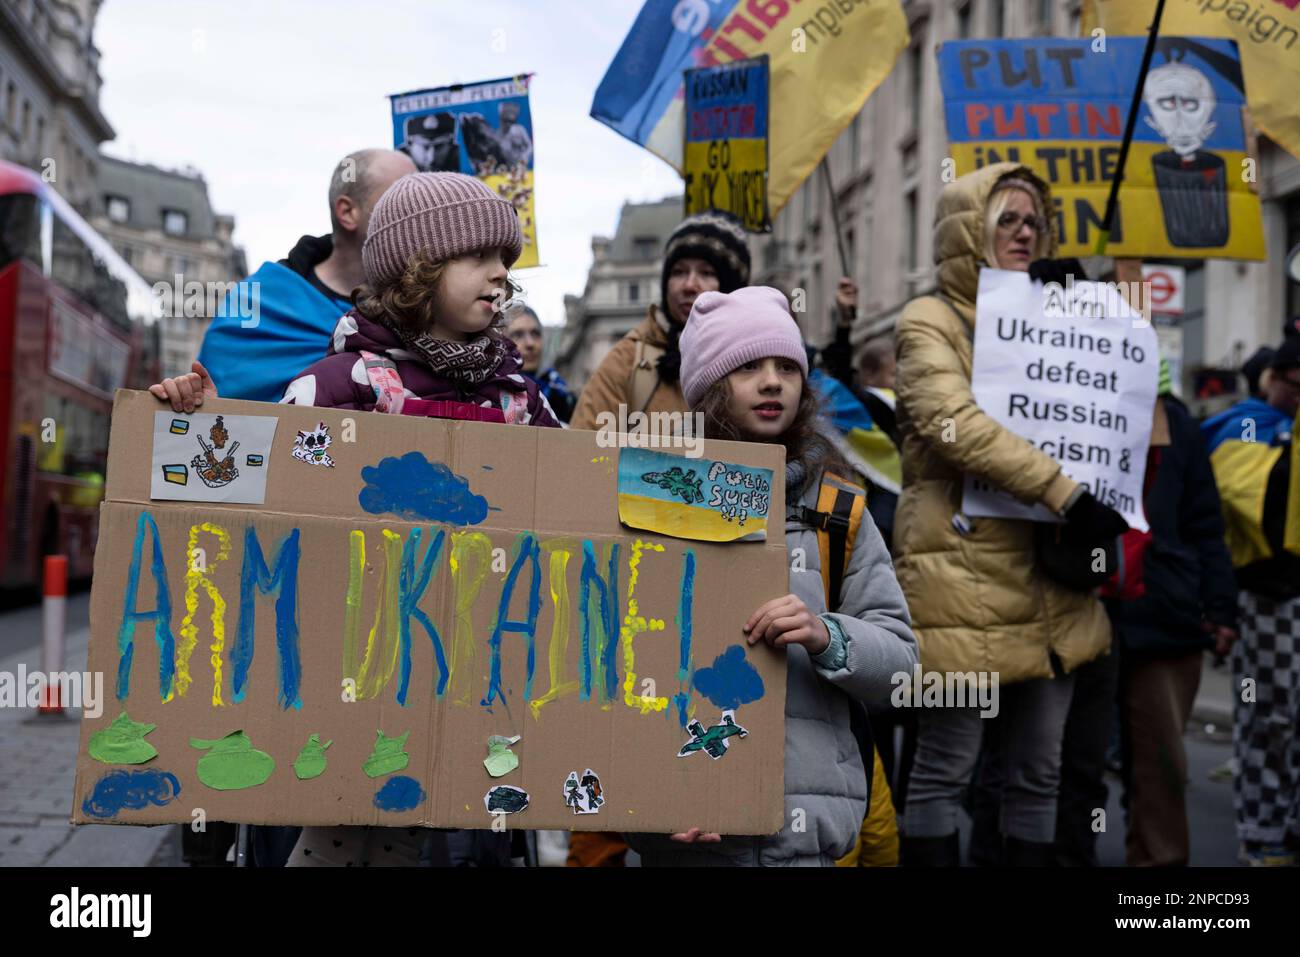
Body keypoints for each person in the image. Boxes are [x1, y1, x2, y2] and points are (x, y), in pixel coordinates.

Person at [151, 172, 560, 866]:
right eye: (478, 256)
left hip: (469, 670)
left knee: (426, 835)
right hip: (356, 664)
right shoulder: (343, 382)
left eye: (506, 260)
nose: (501, 274)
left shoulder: (519, 396)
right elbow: (265, 483)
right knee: (338, 829)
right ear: (416, 271)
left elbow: (577, 499)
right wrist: (210, 423)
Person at [622, 286, 917, 866]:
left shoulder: (839, 509)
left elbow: (903, 667)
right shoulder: (650, 500)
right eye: (747, 367)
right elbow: (623, 663)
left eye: (786, 365)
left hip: (805, 842)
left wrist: (828, 636)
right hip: (689, 834)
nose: (772, 381)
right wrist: (660, 802)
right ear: (708, 390)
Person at [893, 163, 1126, 867]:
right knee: (947, 764)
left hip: (1050, 575)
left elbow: (1104, 404)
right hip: (962, 572)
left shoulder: (1051, 312)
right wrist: (1066, 493)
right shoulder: (926, 320)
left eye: (1033, 221)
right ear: (970, 234)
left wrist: (1088, 313)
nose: (1024, 232)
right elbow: (950, 420)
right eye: (1007, 220)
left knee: (1039, 774)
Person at [1098, 363, 1239, 866]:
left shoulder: (1177, 425)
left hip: (1163, 616)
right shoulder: (1068, 412)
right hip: (1082, 610)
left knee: (1159, 763)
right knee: (1070, 765)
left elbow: (1206, 522)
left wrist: (1221, 609)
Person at [197, 149, 417, 403]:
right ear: (347, 212)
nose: (423, 217)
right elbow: (211, 409)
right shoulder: (258, 303)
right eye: (403, 200)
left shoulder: (429, 311)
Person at [1202, 334, 1300, 866]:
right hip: (1267, 597)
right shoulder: (1244, 424)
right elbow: (1252, 504)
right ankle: (1262, 832)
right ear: (1272, 380)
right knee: (1270, 717)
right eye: (1294, 386)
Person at [569, 211, 751, 435]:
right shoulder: (628, 360)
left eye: (706, 272)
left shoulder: (763, 364)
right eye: (679, 272)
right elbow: (584, 449)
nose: (689, 284)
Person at [505, 303, 576, 422]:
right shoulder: (489, 394)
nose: (530, 343)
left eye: (535, 334)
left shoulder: (561, 396)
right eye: (518, 335)